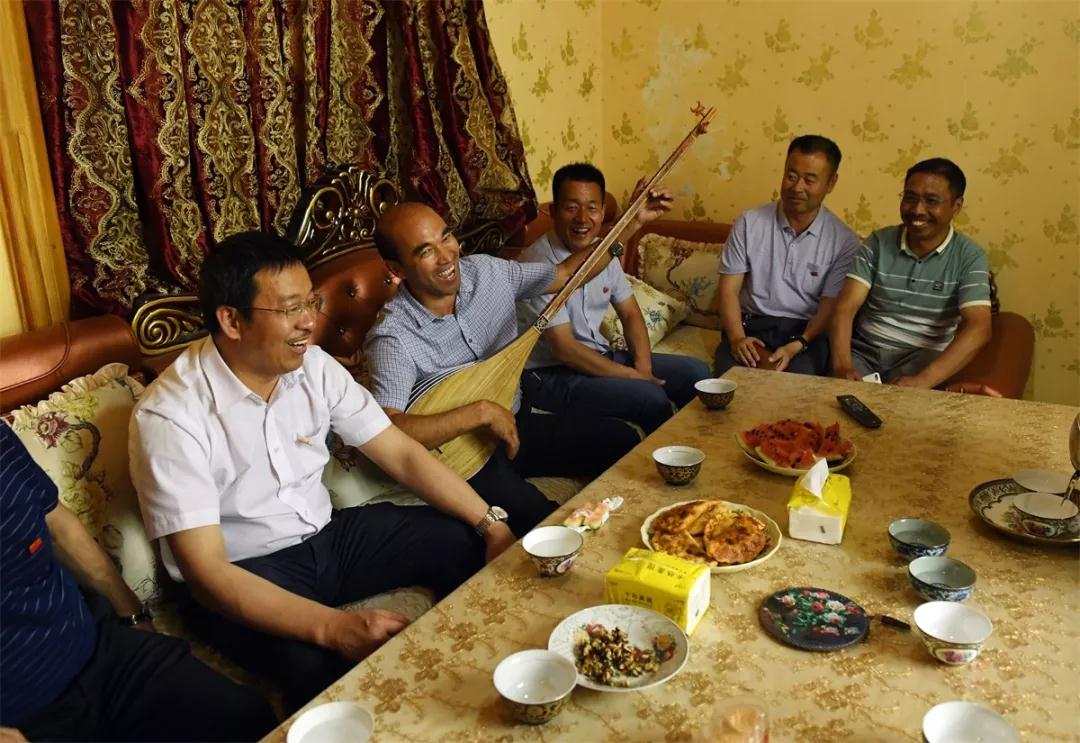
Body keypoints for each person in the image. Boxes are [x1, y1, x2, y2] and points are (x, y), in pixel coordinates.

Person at [130, 232, 514, 714]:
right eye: (291, 309)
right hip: (243, 572)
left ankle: (496, 681)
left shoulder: (312, 367)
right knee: (319, 669)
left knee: (465, 540)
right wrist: (335, 627)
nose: (310, 322)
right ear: (231, 320)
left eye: (311, 302)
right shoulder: (171, 415)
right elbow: (207, 574)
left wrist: (490, 523)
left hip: (328, 537)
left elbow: (401, 454)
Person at [364, 200, 661, 537]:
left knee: (622, 440)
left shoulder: (488, 272)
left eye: (446, 237)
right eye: (425, 251)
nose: (446, 256)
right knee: (544, 523)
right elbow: (388, 430)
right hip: (465, 460)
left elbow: (566, 274)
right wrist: (480, 412)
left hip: (516, 422)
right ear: (397, 268)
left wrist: (631, 224)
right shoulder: (393, 336)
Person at [0, 425, 276, 742]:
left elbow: (59, 528)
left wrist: (133, 614)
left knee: (249, 720)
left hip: (99, 651)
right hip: (25, 717)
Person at [516, 163, 709, 436]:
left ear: (603, 211)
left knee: (696, 373)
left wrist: (644, 369)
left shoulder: (603, 252)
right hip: (550, 374)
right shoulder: (537, 265)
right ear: (554, 211)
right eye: (571, 207)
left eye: (592, 208)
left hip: (599, 354)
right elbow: (566, 350)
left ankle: (703, 447)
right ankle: (666, 459)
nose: (582, 219)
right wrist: (635, 379)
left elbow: (630, 313)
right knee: (649, 399)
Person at [830, 158, 992, 387]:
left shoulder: (970, 257)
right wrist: (843, 367)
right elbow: (845, 308)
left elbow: (979, 327)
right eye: (910, 198)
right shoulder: (878, 243)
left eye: (931, 201)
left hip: (922, 361)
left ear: (956, 206)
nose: (917, 210)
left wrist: (922, 381)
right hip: (865, 353)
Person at [714, 135, 860, 376]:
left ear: (831, 183)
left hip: (805, 335)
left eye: (809, 180)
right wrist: (737, 338)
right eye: (791, 176)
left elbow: (829, 307)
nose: (797, 187)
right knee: (729, 387)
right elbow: (728, 290)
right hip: (751, 327)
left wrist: (799, 344)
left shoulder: (844, 241)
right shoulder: (749, 223)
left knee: (794, 391)